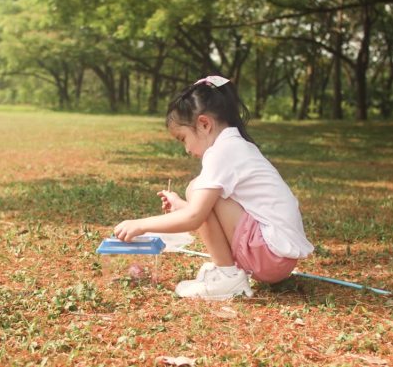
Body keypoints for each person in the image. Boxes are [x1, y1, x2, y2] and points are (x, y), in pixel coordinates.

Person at [113, 75, 313, 300]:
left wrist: (139, 225)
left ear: (204, 124)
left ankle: (227, 277)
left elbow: (195, 217)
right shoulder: (235, 145)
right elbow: (203, 213)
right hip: (277, 258)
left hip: (269, 255)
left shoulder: (222, 152)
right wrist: (182, 206)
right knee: (198, 191)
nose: (187, 149)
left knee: (197, 186)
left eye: (183, 139)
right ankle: (226, 273)